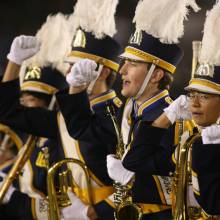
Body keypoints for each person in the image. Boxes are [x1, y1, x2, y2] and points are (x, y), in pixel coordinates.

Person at [0, 1, 122, 218]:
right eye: (70, 65)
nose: (69, 71)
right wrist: (14, 62)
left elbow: (137, 178)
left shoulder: (122, 115)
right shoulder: (62, 120)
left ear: (101, 72)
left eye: (76, 65)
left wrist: (93, 212)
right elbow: (9, 112)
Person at [135, 1, 220, 218]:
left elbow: (213, 204)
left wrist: (210, 148)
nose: (195, 103)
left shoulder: (202, 144)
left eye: (206, 96)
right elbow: (136, 161)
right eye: (192, 95)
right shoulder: (191, 142)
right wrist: (166, 117)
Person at [0, 13, 69, 220]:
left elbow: (61, 211)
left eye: (31, 100)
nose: (23, 105)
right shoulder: (34, 140)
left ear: (52, 104)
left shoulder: (60, 140)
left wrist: (12, 197)